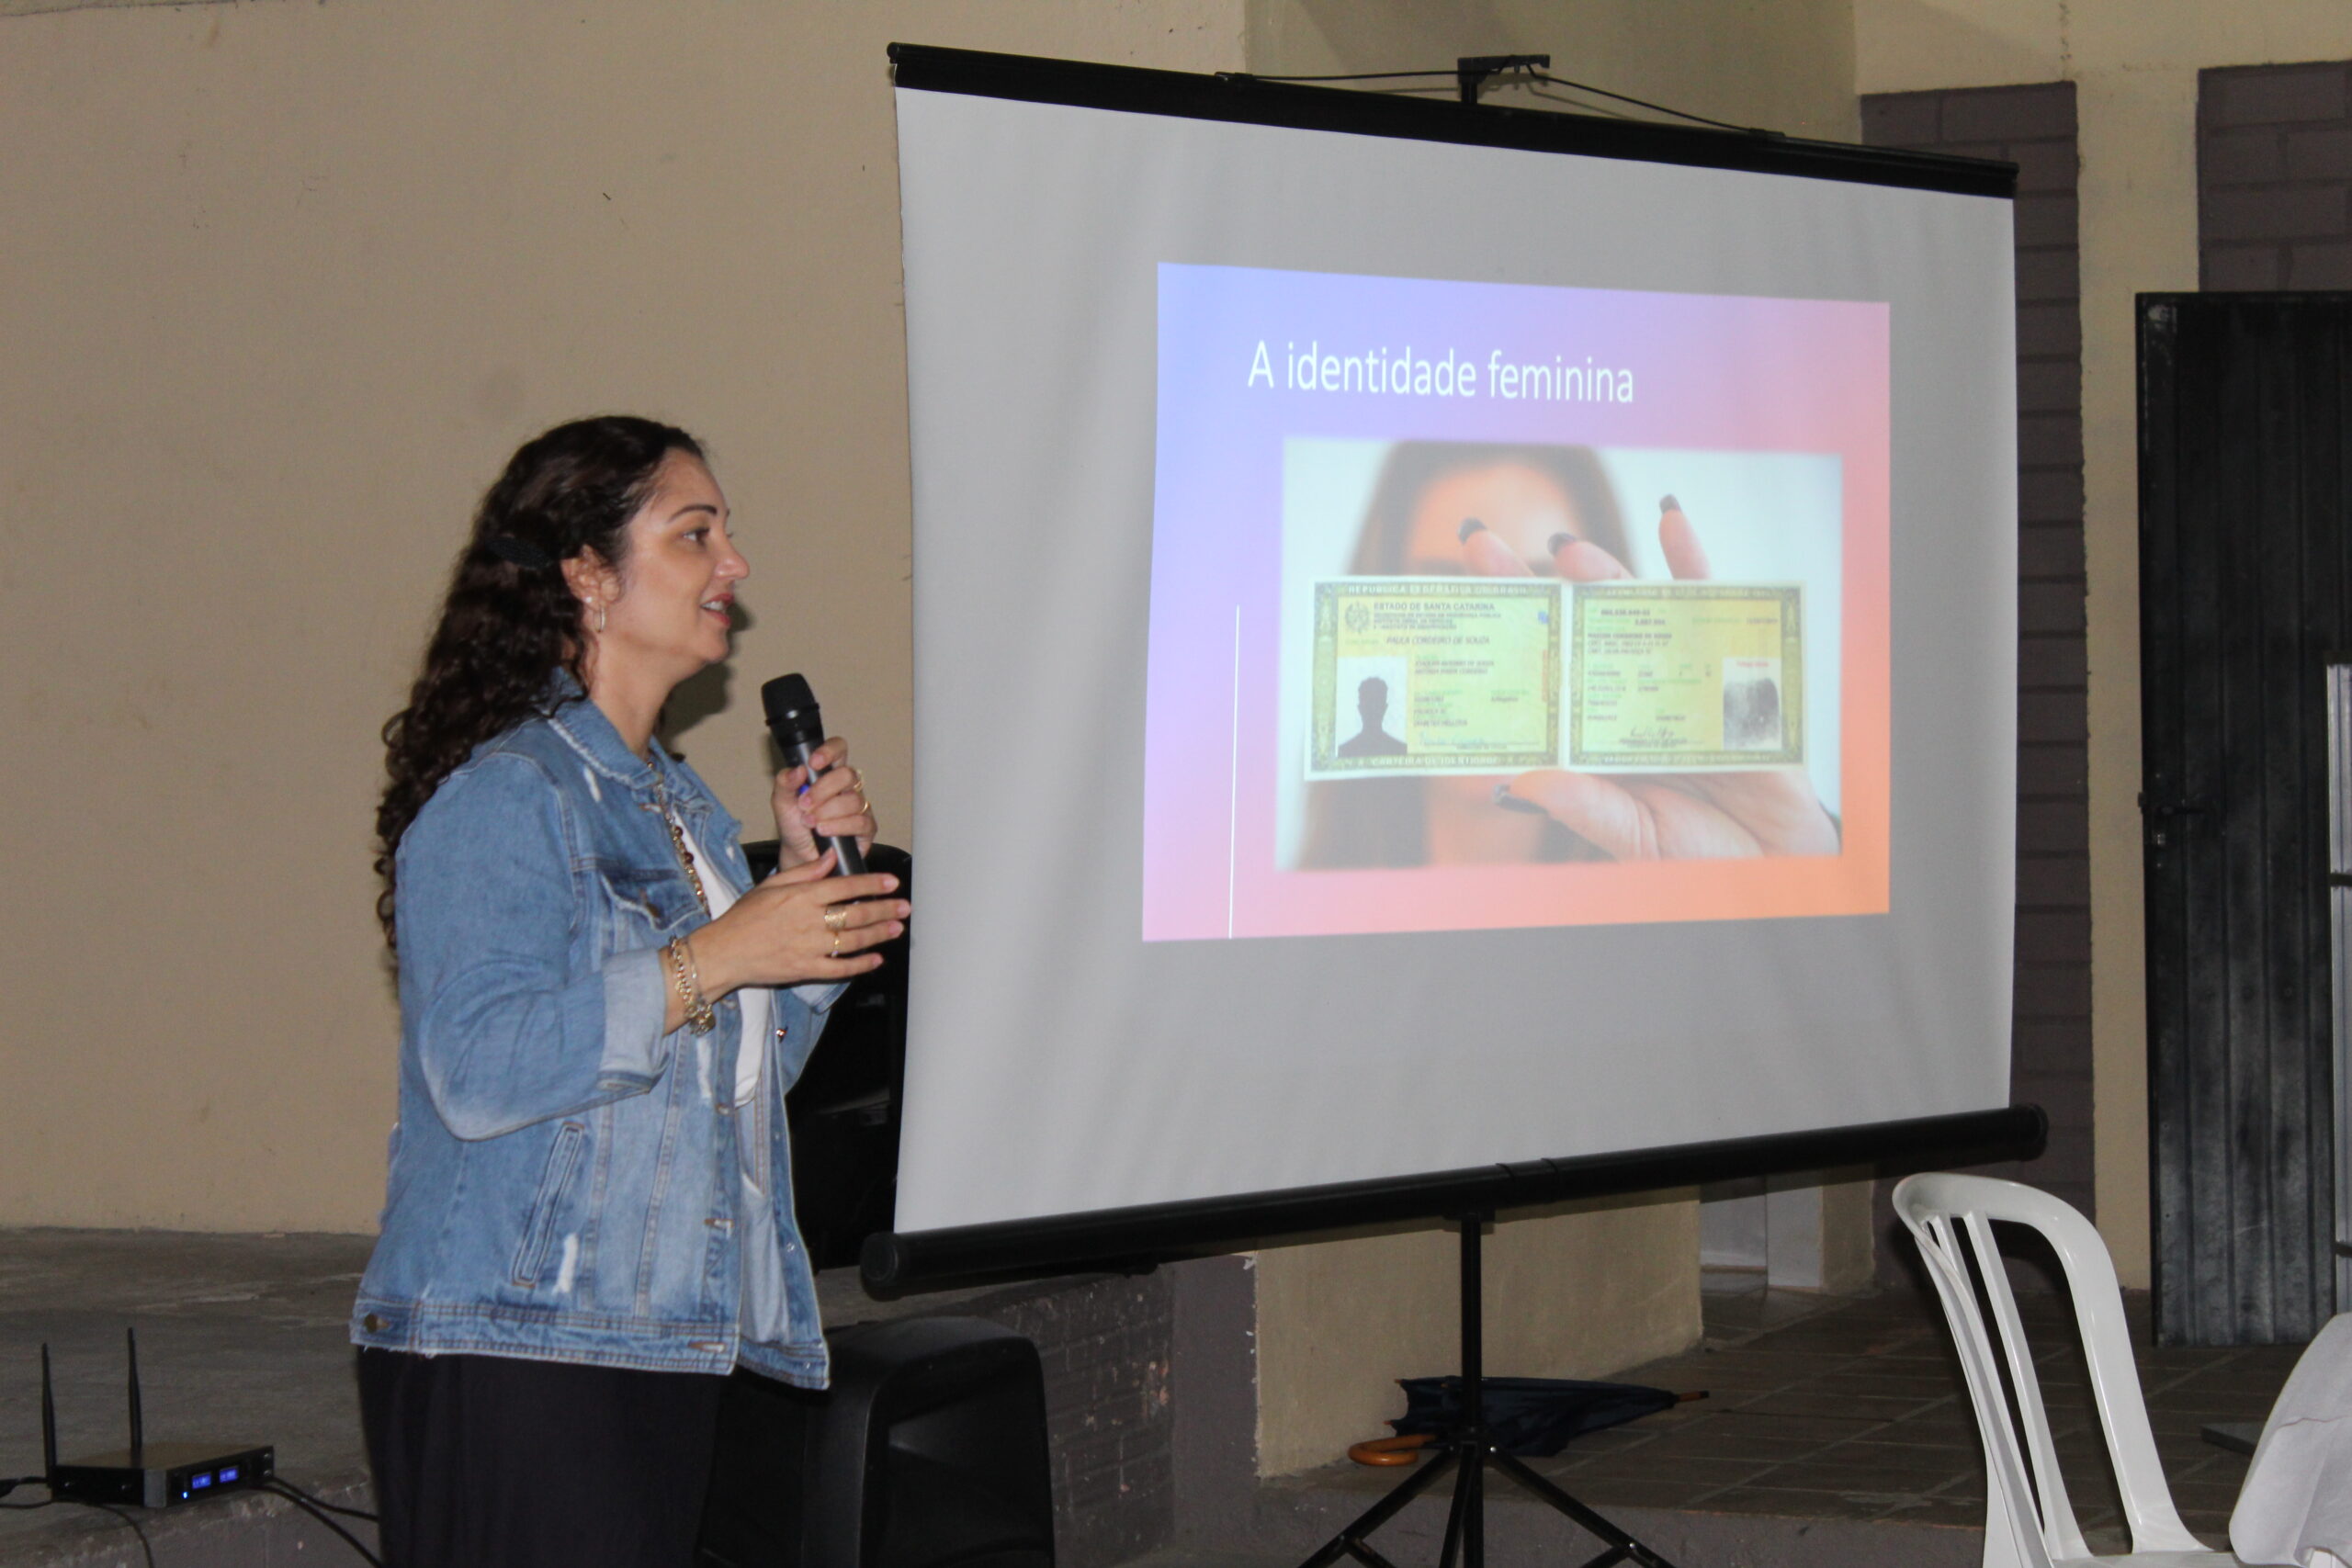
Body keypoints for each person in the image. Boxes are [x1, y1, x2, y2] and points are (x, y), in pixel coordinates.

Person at [351, 416, 910, 1568]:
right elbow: (479, 1065)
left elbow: (734, 1073)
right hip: (521, 1353)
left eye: (728, 535)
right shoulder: (510, 792)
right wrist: (724, 951)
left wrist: (795, 925)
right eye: (694, 534)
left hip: (676, 1338)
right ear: (588, 577)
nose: (734, 566)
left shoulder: (685, 806)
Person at [1298, 439, 1837, 867]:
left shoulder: (1682, 882)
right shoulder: (1299, 927)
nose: (1492, 656)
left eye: (1540, 602)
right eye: (1444, 601)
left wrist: (1803, 875)